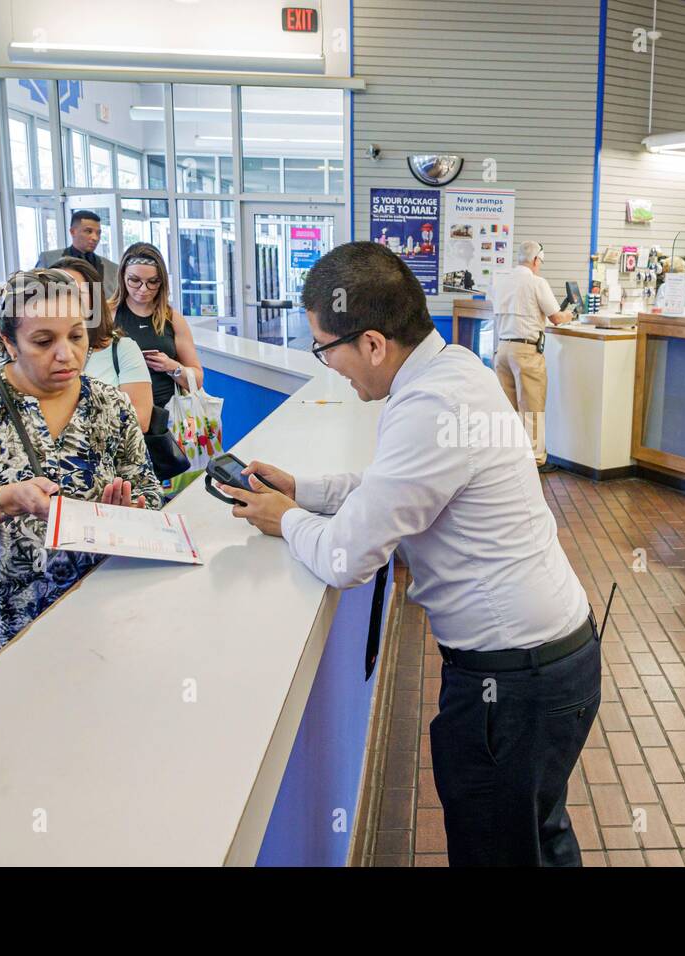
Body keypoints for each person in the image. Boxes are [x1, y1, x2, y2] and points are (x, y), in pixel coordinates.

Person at [217, 241, 600, 867]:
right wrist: (303, 490)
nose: (327, 365)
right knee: (538, 836)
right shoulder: (452, 369)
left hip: (514, 684)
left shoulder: (431, 404)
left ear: (371, 344)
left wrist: (285, 520)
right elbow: (394, 489)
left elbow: (347, 558)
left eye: (324, 348)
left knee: (499, 852)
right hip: (554, 660)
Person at [0, 269, 162, 723]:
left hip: (80, 626)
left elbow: (146, 490)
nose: (67, 354)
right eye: (43, 341)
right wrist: (9, 499)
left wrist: (128, 512)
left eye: (77, 336)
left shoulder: (110, 406)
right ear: (8, 342)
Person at [491, 240, 573, 474]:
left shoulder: (501, 282)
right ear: (536, 260)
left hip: (502, 349)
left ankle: (509, 456)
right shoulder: (537, 283)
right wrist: (569, 314)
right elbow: (556, 318)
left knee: (507, 408)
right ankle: (536, 459)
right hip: (526, 351)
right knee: (532, 405)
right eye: (541, 262)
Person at [53, 256, 153, 432]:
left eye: (77, 292)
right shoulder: (37, 354)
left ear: (93, 298)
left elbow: (141, 420)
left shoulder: (122, 349)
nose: (67, 300)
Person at [111, 242, 205, 410]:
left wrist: (171, 367)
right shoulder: (107, 315)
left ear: (162, 282)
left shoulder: (173, 319)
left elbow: (196, 380)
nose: (143, 289)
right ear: (122, 277)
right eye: (134, 280)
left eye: (153, 282)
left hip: (168, 416)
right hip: (120, 414)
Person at [36, 210, 119, 290]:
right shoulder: (48, 260)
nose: (95, 238)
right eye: (88, 231)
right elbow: (35, 292)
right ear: (72, 232)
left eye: (98, 233)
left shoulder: (113, 268)